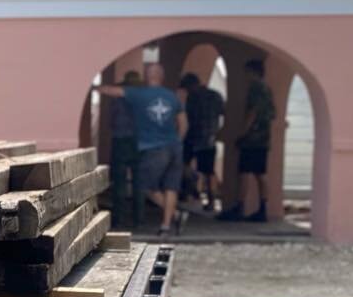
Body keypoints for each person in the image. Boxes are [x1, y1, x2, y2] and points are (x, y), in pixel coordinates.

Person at [101, 62, 186, 237]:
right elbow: (184, 124)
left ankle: (174, 215)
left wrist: (94, 86)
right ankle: (166, 225)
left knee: (146, 186)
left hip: (153, 148)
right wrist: (178, 141)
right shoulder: (172, 96)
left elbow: (112, 92)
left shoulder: (138, 94)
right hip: (174, 146)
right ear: (161, 76)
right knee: (171, 187)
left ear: (148, 76)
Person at [219, 57, 276, 223]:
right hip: (264, 138)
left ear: (252, 72)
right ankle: (263, 208)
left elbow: (252, 112)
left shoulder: (255, 89)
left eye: (247, 72)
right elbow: (273, 114)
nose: (245, 76)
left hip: (252, 138)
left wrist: (243, 133)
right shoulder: (268, 90)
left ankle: (240, 206)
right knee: (260, 174)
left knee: (244, 172)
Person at [179, 71, 225, 212]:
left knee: (183, 165)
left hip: (192, 137)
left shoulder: (192, 98)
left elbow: (187, 117)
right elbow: (225, 113)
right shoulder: (216, 95)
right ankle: (210, 201)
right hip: (209, 138)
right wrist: (219, 132)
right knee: (209, 172)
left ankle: (191, 191)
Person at [107, 68, 142, 231]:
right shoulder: (142, 98)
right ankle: (138, 219)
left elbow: (112, 119)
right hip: (139, 142)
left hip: (120, 140)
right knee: (138, 182)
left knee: (119, 182)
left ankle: (119, 220)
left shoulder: (118, 99)